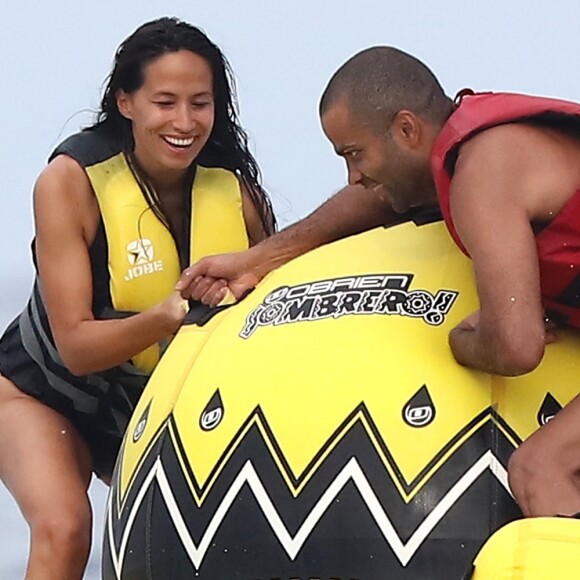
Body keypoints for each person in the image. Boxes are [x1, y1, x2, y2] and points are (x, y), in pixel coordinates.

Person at [177, 47, 580, 519]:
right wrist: (259, 259)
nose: (352, 174)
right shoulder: (466, 153)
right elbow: (383, 199)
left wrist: (464, 340)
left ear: (407, 130)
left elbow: (516, 347)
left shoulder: (485, 172)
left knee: (541, 470)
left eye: (354, 153)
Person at [0, 17, 275, 580]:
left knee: (226, 534)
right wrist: (167, 315)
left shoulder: (235, 194)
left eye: (200, 103)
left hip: (151, 401)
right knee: (66, 526)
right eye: (165, 102)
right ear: (125, 102)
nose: (184, 122)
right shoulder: (68, 183)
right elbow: (75, 345)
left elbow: (271, 312)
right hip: (43, 393)